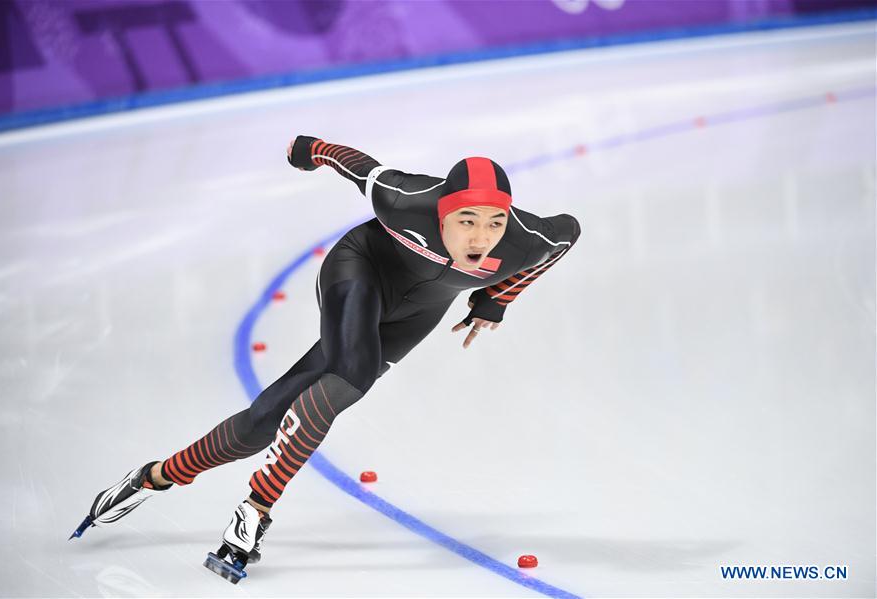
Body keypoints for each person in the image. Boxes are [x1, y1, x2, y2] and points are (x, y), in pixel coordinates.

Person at [70, 135, 581, 582]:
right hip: (358, 269)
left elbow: (567, 234)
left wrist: (499, 298)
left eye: (494, 222)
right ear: (442, 212)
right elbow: (357, 164)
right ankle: (255, 509)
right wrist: (309, 150)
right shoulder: (405, 199)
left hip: (417, 313)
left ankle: (157, 475)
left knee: (261, 424)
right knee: (351, 374)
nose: (481, 236)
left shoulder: (526, 240)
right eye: (466, 220)